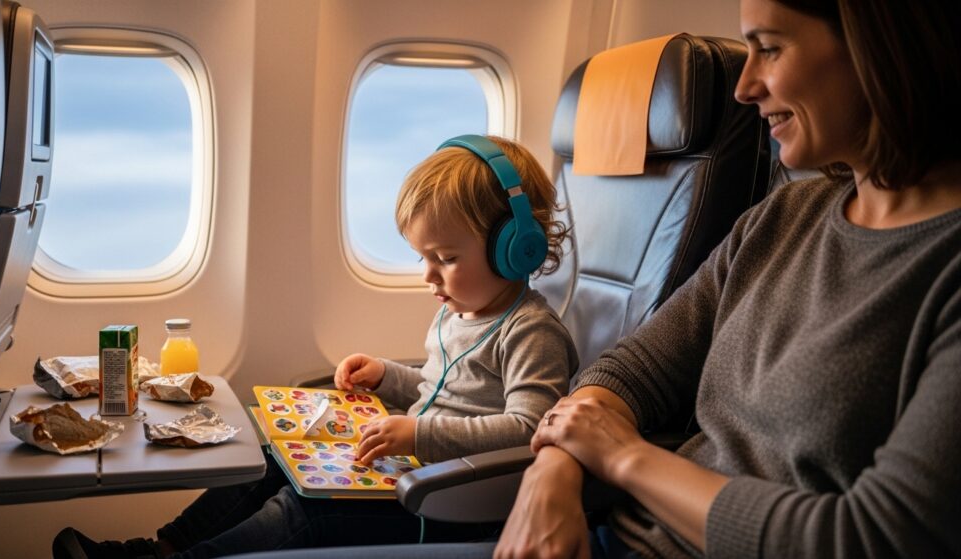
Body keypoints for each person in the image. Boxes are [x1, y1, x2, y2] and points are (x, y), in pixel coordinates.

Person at [252, 1, 961, 558]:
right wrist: (555, 467)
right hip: (607, 532)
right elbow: (632, 368)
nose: (746, 85)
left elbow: (867, 540)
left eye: (770, 47)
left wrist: (618, 456)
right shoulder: (784, 217)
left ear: (879, 40)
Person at [52, 135, 580, 559]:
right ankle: (160, 546)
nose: (428, 275)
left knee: (306, 512)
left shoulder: (531, 332)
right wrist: (386, 376)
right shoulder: (455, 311)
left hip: (450, 500)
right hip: (413, 471)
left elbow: (531, 431)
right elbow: (438, 387)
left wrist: (418, 431)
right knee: (270, 461)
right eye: (423, 256)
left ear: (515, 249)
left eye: (444, 257)